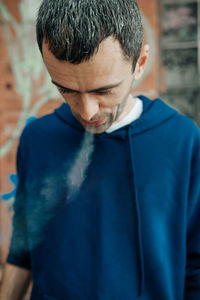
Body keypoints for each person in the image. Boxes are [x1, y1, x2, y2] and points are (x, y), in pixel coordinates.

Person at [0, 0, 200, 299]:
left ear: (140, 63)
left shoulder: (182, 140)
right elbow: (22, 250)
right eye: (66, 89)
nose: (87, 110)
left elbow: (195, 268)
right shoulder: (36, 138)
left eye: (103, 90)